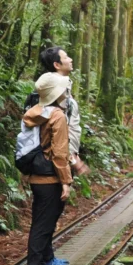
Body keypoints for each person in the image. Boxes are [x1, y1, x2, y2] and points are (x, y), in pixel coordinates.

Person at [21, 72, 73, 265]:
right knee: (43, 226)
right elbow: (60, 153)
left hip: (36, 176)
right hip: (50, 178)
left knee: (41, 223)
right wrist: (65, 181)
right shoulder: (57, 116)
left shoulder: (35, 111)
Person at [37, 46, 89, 178]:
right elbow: (60, 133)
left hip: (58, 161)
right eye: (66, 57)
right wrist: (73, 160)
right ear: (56, 64)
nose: (70, 59)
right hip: (55, 163)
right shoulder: (56, 97)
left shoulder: (61, 92)